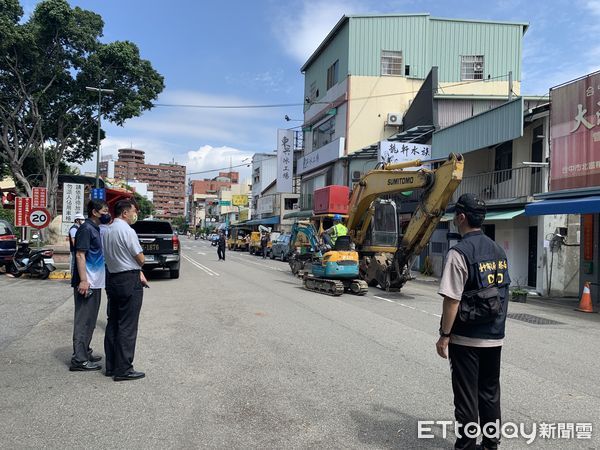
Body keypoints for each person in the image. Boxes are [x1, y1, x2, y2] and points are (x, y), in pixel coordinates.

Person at [435, 193, 511, 450]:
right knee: (490, 394)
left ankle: (466, 446)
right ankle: (491, 445)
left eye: (456, 216)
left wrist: (445, 334)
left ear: (461, 217)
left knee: (466, 397)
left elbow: (452, 300)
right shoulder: (498, 250)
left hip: (467, 338)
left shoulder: (459, 253)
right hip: (494, 336)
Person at [102, 199, 149, 381]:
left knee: (113, 322)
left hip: (113, 277)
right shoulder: (127, 231)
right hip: (129, 279)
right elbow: (141, 258)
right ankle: (124, 369)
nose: (134, 214)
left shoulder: (107, 230)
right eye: (133, 211)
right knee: (127, 326)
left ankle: (112, 366)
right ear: (124, 213)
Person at [69, 200, 110, 372]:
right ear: (94, 212)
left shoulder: (95, 228)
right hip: (87, 283)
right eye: (104, 210)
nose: (107, 213)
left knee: (91, 321)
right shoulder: (86, 229)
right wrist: (84, 281)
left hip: (96, 282)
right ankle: (79, 360)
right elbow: (80, 254)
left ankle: (85, 351)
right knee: (83, 321)